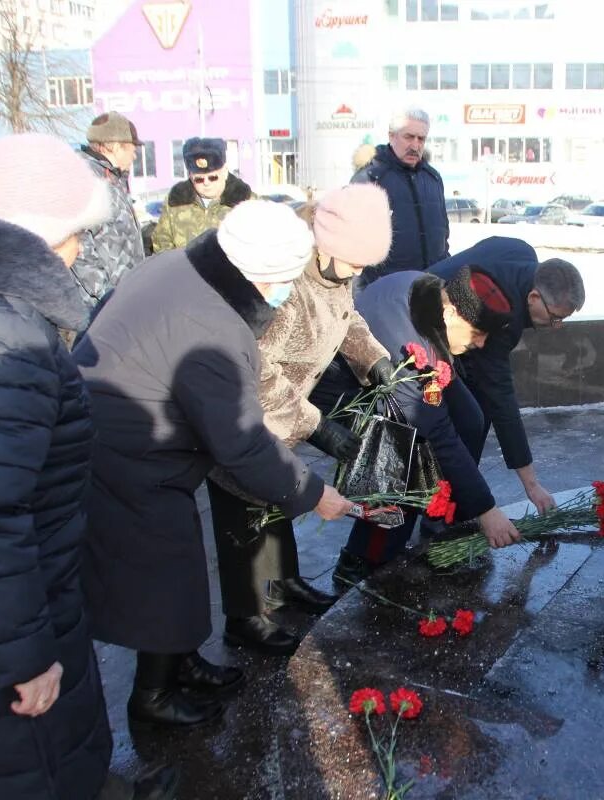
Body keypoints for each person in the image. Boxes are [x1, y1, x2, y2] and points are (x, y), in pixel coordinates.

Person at [0, 135, 175, 799]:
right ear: (42, 236)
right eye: (77, 234)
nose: (81, 251)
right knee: (19, 755)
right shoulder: (2, 332)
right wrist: (22, 654)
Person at [74, 200, 354, 729]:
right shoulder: (214, 329)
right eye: (281, 282)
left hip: (126, 428)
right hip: (127, 448)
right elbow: (243, 443)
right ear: (257, 273)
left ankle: (182, 661)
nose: (282, 294)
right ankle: (152, 696)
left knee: (177, 564)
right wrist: (315, 494)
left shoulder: (180, 266)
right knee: (161, 574)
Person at [209, 184, 396, 655]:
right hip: (243, 416)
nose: (358, 272)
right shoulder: (285, 281)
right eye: (355, 262)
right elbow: (257, 367)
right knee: (244, 515)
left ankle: (283, 584)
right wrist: (318, 427)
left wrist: (373, 360)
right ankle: (246, 616)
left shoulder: (335, 271)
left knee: (274, 500)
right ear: (327, 244)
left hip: (284, 415)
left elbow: (348, 318)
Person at [311, 266, 524, 586]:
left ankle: (442, 516)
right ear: (451, 311)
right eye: (477, 333)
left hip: (399, 363)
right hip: (343, 388)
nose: (481, 344)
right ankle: (360, 562)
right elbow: (436, 432)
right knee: (404, 458)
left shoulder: (433, 295)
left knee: (471, 418)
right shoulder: (409, 342)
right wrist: (487, 511)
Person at [428, 237, 585, 514]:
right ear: (534, 297)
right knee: (471, 419)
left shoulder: (524, 254)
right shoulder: (504, 317)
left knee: (475, 412)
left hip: (448, 311)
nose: (556, 326)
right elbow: (502, 400)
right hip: (427, 326)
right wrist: (532, 485)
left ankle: (456, 499)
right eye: (555, 318)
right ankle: (446, 509)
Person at [351, 107, 449, 284]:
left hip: (430, 289)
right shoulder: (370, 179)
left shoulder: (433, 179)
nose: (415, 145)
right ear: (391, 136)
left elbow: (443, 236)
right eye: (409, 137)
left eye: (421, 139)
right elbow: (353, 245)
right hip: (386, 292)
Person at [73, 111, 146, 308]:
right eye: (132, 147)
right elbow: (79, 247)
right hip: (100, 306)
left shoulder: (112, 179)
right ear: (114, 146)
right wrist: (105, 296)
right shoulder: (86, 179)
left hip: (122, 298)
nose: (135, 154)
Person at [151, 136, 253, 252]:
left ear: (225, 172)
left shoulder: (247, 202)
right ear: (190, 176)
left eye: (213, 177)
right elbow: (161, 245)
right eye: (199, 179)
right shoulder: (175, 203)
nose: (206, 183)